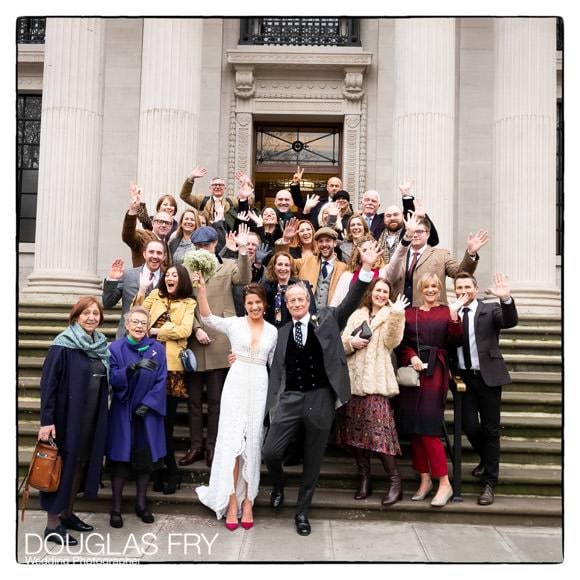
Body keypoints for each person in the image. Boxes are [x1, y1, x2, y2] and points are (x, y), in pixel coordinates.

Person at [262, 240, 383, 536]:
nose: (296, 304)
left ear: (308, 299)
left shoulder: (327, 319)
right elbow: (276, 371)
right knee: (271, 453)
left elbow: (351, 300)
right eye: (291, 300)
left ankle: (302, 512)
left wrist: (366, 269)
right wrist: (272, 406)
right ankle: (278, 484)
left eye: (300, 299)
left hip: (320, 398)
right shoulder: (281, 332)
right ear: (286, 304)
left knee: (313, 461)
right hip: (290, 397)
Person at [193, 278, 278, 529]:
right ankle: (231, 501)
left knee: (252, 443)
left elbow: (275, 364)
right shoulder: (234, 324)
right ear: (244, 304)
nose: (254, 307)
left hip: (259, 385)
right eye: (250, 303)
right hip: (236, 383)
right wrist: (202, 291)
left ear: (265, 304)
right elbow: (208, 319)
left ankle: (248, 502)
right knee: (232, 444)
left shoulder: (273, 331)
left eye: (258, 303)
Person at [38, 297, 110, 546]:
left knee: (79, 465)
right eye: (86, 313)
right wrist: (46, 421)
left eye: (95, 313)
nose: (91, 317)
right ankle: (52, 524)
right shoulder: (63, 345)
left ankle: (67, 514)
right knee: (61, 468)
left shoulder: (100, 345)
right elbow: (48, 385)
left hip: (90, 419)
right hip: (65, 418)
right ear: (76, 316)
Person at [179, 225, 251, 468]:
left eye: (207, 245)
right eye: (198, 246)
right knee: (195, 400)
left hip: (221, 338)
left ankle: (213, 446)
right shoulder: (186, 269)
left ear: (215, 245)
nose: (203, 249)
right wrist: (196, 328)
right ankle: (195, 446)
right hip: (195, 337)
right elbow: (185, 301)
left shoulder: (228, 265)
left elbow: (245, 278)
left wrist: (242, 250)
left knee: (218, 400)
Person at [396, 273, 467, 507]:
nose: (430, 290)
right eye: (426, 286)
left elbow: (456, 341)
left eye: (435, 286)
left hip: (436, 369)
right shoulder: (410, 313)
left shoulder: (447, 311)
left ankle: (444, 482)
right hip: (413, 371)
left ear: (439, 289)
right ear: (419, 289)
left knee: (428, 426)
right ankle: (425, 480)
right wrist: (412, 356)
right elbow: (402, 344)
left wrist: (455, 316)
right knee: (414, 428)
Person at [451, 272, 519, 506]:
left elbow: (509, 321)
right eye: (459, 287)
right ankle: (487, 458)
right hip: (464, 379)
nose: (463, 291)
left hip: (488, 377)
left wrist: (506, 299)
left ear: (476, 288)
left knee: (491, 430)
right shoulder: (452, 312)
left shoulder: (490, 309)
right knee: (468, 425)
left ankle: (489, 483)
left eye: (467, 286)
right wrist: (451, 314)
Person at [338, 280, 409, 504]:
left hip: (377, 384)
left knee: (381, 434)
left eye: (385, 291)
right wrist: (352, 342)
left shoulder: (392, 314)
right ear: (371, 292)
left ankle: (395, 482)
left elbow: (392, 342)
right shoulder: (358, 314)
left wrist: (397, 315)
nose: (380, 294)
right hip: (353, 383)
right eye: (378, 290)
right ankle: (365, 479)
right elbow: (341, 343)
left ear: (389, 295)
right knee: (355, 435)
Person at [133, 263, 196, 494]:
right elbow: (137, 317)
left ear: (182, 280)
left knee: (166, 425)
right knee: (152, 423)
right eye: (168, 275)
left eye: (175, 276)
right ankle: (160, 472)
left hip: (171, 370)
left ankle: (171, 472)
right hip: (149, 366)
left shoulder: (189, 302)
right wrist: (141, 290)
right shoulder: (154, 296)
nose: (170, 278)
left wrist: (157, 331)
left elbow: (184, 331)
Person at [107, 306, 167, 527]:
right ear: (127, 324)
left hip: (147, 414)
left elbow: (162, 380)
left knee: (145, 462)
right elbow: (112, 378)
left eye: (144, 322)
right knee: (120, 461)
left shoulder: (157, 349)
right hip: (123, 412)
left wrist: (148, 404)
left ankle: (141, 505)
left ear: (148, 326)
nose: (139, 326)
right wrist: (130, 369)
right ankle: (115, 508)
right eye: (135, 322)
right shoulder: (115, 348)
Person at [392, 217, 489, 306]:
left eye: (420, 231)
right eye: (412, 231)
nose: (415, 235)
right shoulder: (398, 255)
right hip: (399, 311)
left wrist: (471, 253)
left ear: (428, 234)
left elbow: (460, 274)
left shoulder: (441, 254)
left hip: (432, 311)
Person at [329, 212, 418, 307]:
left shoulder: (385, 273)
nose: (369, 253)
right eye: (364, 250)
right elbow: (335, 305)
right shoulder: (346, 276)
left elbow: (398, 257)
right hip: (352, 319)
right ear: (357, 256)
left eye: (372, 249)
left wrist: (408, 235)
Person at [103, 239, 166, 339]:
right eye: (151, 252)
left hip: (154, 340)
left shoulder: (168, 280)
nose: (155, 256)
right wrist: (112, 280)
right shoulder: (128, 275)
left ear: (164, 257)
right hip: (126, 337)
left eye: (159, 253)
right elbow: (107, 303)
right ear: (144, 254)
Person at [279, 224, 348, 310]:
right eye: (321, 241)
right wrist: (285, 240)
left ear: (334, 243)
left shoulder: (343, 268)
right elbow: (284, 261)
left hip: (330, 317)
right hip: (306, 314)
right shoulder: (306, 261)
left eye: (328, 241)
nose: (324, 244)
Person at [377, 179, 439, 262]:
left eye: (396, 214)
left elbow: (433, 240)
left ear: (403, 216)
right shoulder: (377, 234)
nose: (392, 218)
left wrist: (423, 217)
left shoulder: (411, 233)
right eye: (388, 216)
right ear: (384, 219)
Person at [180, 168, 253, 230]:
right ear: (210, 188)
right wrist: (191, 178)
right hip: (206, 236)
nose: (217, 187)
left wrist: (247, 184)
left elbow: (248, 200)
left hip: (226, 236)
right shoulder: (202, 200)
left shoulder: (232, 201)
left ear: (225, 188)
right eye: (214, 185)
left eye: (221, 185)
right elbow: (184, 195)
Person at [262, 251, 316, 327]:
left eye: (287, 265)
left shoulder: (302, 286)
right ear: (274, 267)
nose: (283, 268)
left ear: (291, 268)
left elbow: (311, 312)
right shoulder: (267, 287)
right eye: (280, 264)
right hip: (273, 332)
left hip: (295, 332)